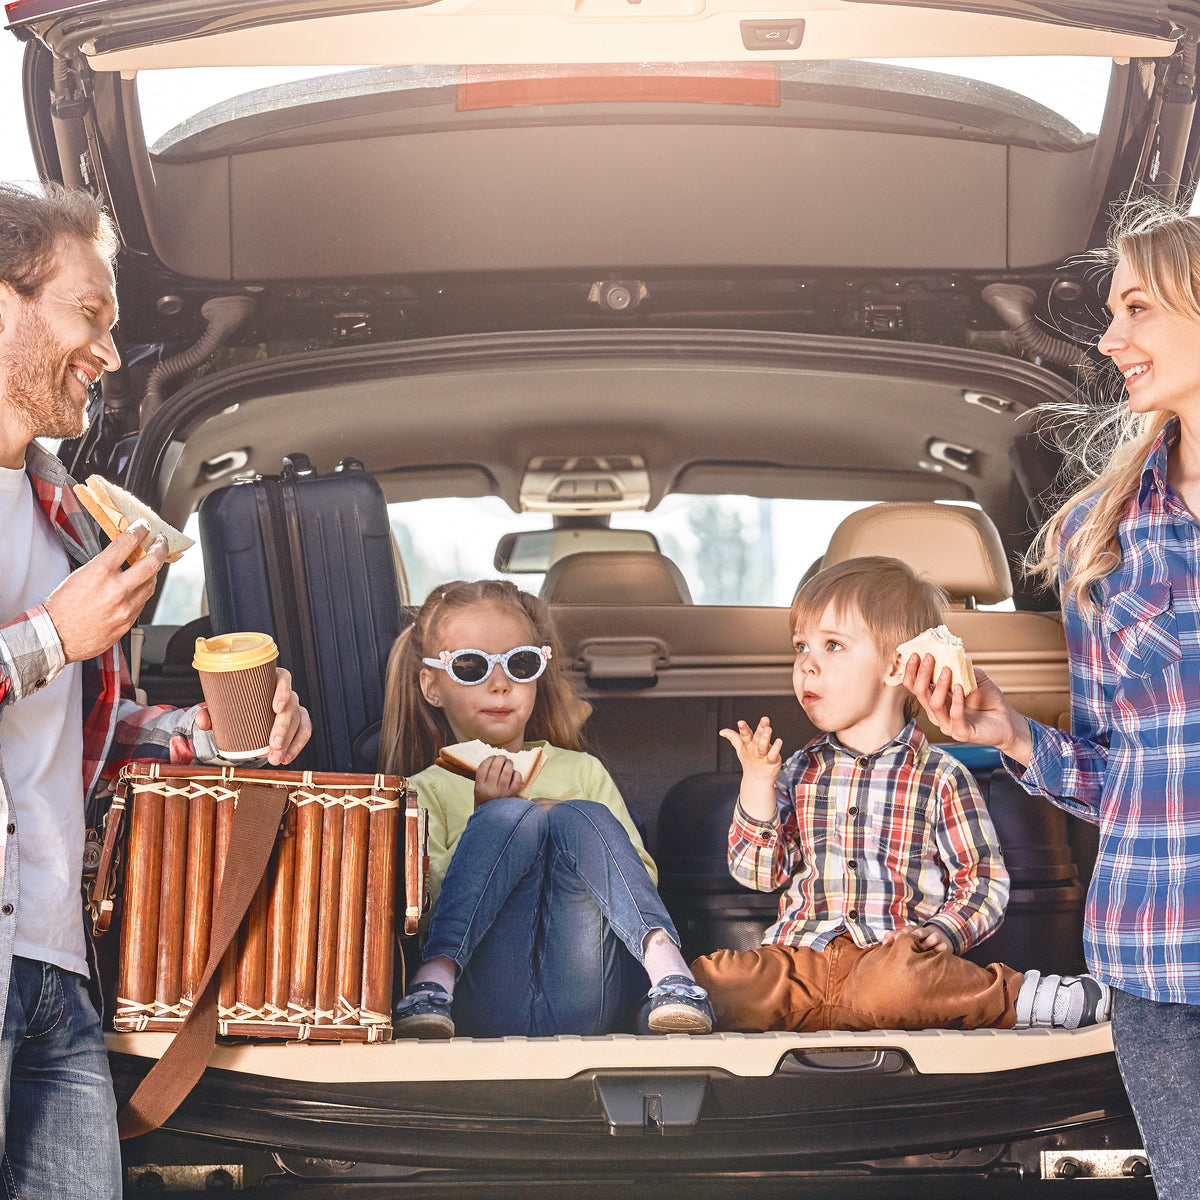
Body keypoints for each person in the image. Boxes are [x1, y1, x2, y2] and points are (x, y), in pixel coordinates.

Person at [0, 181, 312, 1197]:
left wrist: (222, 737)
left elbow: (86, 732)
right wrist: (55, 636)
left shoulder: (66, 519)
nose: (109, 351)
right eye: (88, 314)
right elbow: (51, 656)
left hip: (52, 966)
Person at [902, 201, 1200, 1199]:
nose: (1111, 340)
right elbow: (1122, 779)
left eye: (1137, 309)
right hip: (1161, 956)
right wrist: (1004, 731)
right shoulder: (1097, 536)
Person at [690, 555, 1111, 1033]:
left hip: (890, 957)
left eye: (832, 646)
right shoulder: (796, 772)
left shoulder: (940, 776)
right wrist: (757, 786)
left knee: (911, 983)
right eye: (801, 646)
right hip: (798, 961)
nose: (806, 664)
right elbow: (760, 875)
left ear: (896, 667)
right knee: (720, 979)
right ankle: (677, 995)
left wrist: (947, 930)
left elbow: (983, 879)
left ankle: (1034, 997)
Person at [378, 579, 712, 1038]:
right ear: (432, 687)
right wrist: (488, 825)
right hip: (474, 1002)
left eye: (520, 664)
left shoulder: (582, 771)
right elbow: (417, 908)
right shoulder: (422, 790)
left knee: (581, 815)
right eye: (472, 667)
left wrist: (563, 822)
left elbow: (642, 878)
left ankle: (670, 971)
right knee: (507, 818)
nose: (500, 685)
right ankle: (433, 979)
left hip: (585, 990)